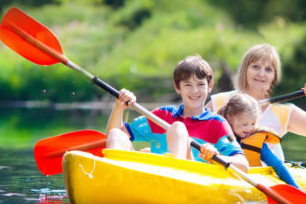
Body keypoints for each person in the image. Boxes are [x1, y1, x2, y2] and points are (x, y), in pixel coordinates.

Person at [105, 55, 249, 172]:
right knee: (115, 134)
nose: (195, 91)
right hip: (152, 180)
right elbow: (116, 133)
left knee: (178, 128)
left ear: (210, 86)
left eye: (200, 84)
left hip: (188, 181)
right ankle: (115, 181)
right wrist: (119, 106)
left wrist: (216, 156)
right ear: (177, 87)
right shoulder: (162, 115)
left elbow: (243, 164)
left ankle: (173, 176)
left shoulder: (217, 123)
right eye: (188, 85)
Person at [208, 43, 306, 160]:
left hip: (266, 174)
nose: (261, 74)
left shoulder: (283, 110)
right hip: (223, 168)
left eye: (268, 69)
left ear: (274, 76)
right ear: (245, 70)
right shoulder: (220, 101)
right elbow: (192, 126)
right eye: (256, 67)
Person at [218, 92, 300, 188]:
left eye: (253, 124)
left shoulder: (256, 142)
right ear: (229, 118)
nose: (249, 129)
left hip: (249, 182)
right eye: (244, 124)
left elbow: (277, 165)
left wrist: (296, 188)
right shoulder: (218, 135)